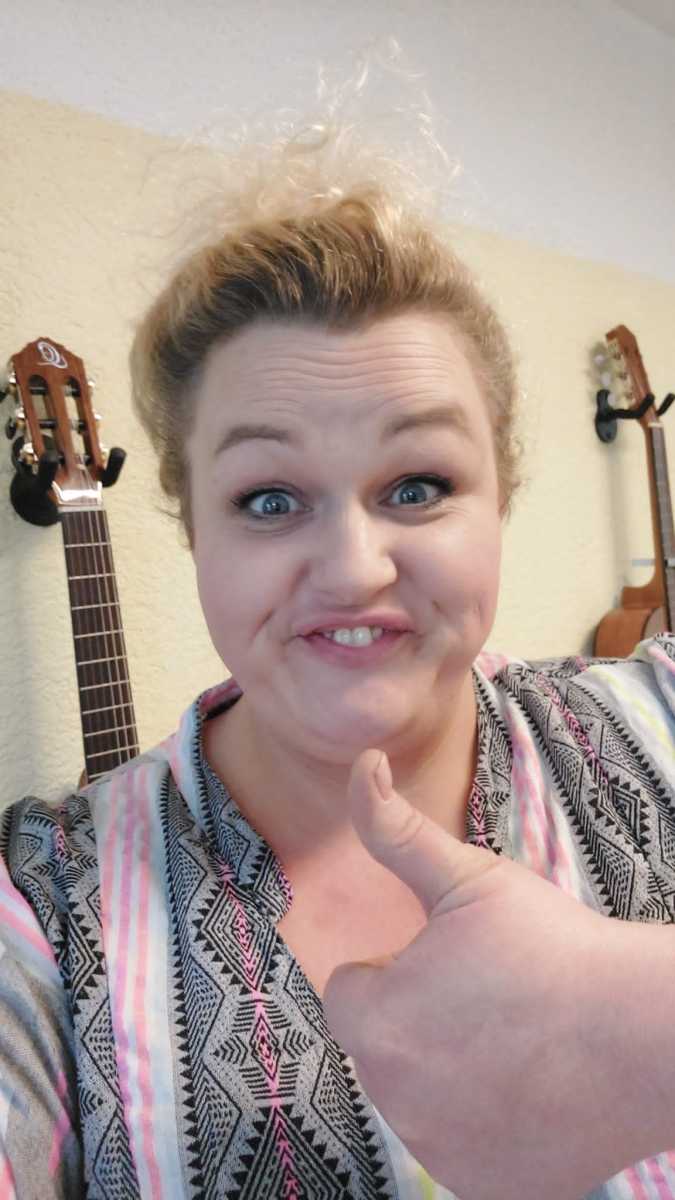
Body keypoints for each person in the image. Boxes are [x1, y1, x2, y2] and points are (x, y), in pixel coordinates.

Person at [0, 139, 673, 1200]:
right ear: (194, 529)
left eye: (417, 485)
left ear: (501, 496)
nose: (356, 569)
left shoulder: (656, 722)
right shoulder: (43, 908)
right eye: (269, 498)